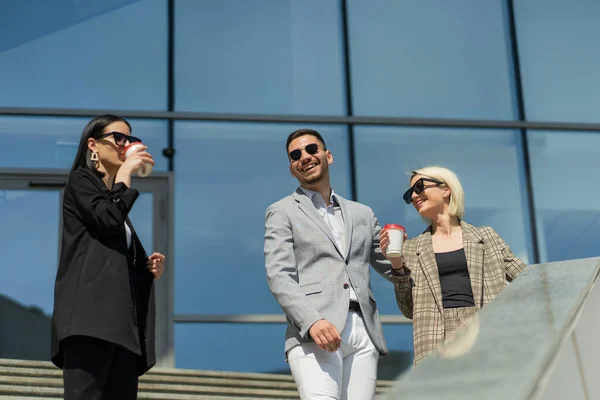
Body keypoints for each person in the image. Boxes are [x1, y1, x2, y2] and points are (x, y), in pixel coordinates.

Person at [264, 129, 404, 400]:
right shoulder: (282, 211)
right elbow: (279, 275)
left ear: (327, 155)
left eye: (312, 149)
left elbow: (391, 267)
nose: (305, 157)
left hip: (364, 330)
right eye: (296, 155)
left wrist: (400, 255)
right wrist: (312, 321)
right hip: (315, 329)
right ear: (292, 170)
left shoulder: (362, 214)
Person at [51, 114, 166, 400]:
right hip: (89, 320)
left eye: (130, 140)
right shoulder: (81, 181)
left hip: (121, 327)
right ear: (93, 144)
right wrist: (125, 175)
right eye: (119, 138)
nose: (126, 145)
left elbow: (111, 251)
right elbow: (107, 219)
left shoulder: (112, 199)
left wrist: (145, 267)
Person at [380, 166, 526, 365]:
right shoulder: (411, 248)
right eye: (410, 193)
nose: (414, 196)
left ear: (446, 189)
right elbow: (408, 309)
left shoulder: (486, 237)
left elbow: (526, 279)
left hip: (484, 329)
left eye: (419, 187)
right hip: (434, 339)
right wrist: (396, 263)